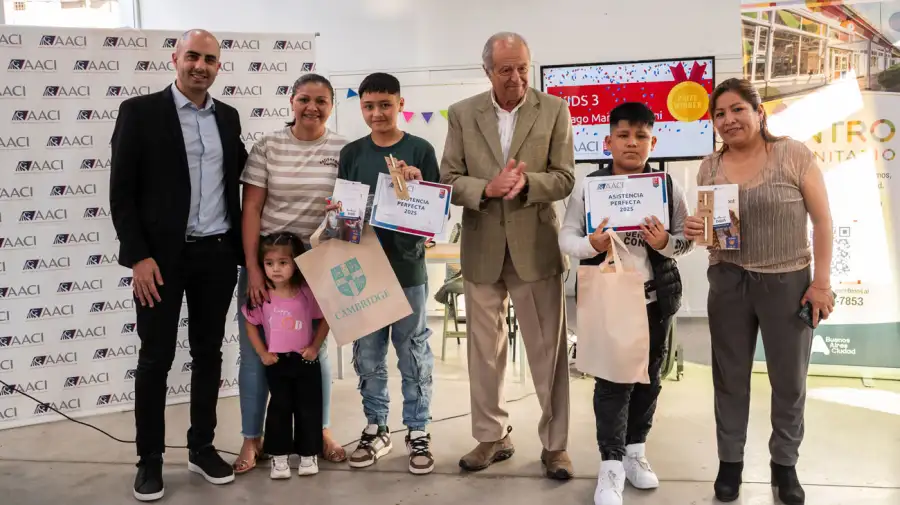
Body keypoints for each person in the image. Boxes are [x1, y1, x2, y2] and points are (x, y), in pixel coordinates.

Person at [109, 29, 247, 502]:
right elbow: (121, 192)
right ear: (176, 58)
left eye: (209, 59)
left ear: (218, 66)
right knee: (155, 358)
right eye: (193, 56)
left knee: (208, 354)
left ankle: (201, 447)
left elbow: (246, 176)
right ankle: (149, 459)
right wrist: (138, 256)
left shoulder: (227, 118)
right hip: (160, 261)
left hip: (216, 255)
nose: (200, 66)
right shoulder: (140, 112)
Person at [683, 78, 833, 505]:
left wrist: (820, 284)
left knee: (789, 381)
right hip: (728, 282)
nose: (728, 120)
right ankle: (730, 464)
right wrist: (698, 230)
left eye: (737, 110)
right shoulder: (709, 167)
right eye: (719, 114)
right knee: (729, 380)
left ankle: (784, 465)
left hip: (788, 283)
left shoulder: (792, 154)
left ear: (758, 112)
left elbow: (822, 222)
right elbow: (713, 234)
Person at [439, 32, 576, 480]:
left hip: (535, 248)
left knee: (547, 353)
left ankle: (555, 446)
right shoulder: (462, 114)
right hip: (481, 250)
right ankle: (491, 436)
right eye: (506, 70)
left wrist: (527, 184)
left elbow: (565, 178)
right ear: (487, 72)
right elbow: (449, 179)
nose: (516, 78)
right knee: (484, 353)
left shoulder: (554, 110)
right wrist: (486, 189)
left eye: (523, 68)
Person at [558, 102, 694, 505]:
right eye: (623, 135)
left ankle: (636, 452)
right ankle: (611, 466)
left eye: (641, 136)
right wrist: (590, 244)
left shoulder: (667, 187)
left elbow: (686, 242)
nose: (632, 143)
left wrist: (664, 243)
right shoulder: (589, 187)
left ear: (653, 141)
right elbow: (566, 238)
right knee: (612, 382)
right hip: (608, 301)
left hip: (655, 300)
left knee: (650, 379)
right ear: (608, 141)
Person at [236, 73, 348, 473]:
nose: (312, 107)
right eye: (304, 99)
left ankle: (319, 431)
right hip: (270, 266)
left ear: (332, 105)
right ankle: (253, 439)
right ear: (291, 101)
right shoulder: (268, 146)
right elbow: (251, 209)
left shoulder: (343, 148)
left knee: (314, 354)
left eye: (321, 100)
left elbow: (352, 208)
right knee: (256, 356)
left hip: (318, 266)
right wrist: (253, 269)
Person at [338, 72, 438, 475]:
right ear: (361, 107)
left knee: (413, 353)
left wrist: (418, 186)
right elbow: (344, 210)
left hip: (407, 267)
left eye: (384, 104)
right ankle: (376, 427)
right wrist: (339, 217)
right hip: (363, 270)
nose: (377, 113)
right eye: (368, 106)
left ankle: (418, 431)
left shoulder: (420, 148)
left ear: (400, 104)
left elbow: (436, 214)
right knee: (369, 354)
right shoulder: (352, 153)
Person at [241, 233, 330, 479]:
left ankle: (308, 453)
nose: (275, 269)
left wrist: (314, 348)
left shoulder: (306, 293)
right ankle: (278, 457)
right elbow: (250, 322)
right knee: (279, 408)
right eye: (269, 264)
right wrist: (262, 352)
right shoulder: (262, 295)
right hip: (277, 362)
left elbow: (325, 318)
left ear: (296, 263)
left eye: (283, 263)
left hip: (305, 361)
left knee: (308, 408)